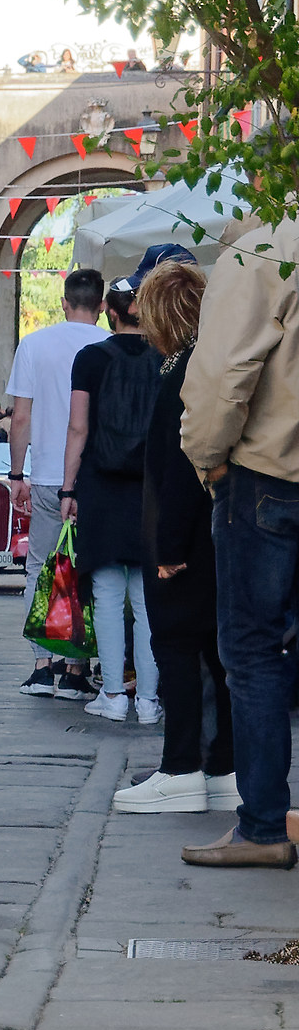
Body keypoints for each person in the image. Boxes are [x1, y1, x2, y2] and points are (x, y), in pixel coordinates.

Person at [179, 215, 299, 867]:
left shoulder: (262, 249)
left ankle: (261, 826)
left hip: (268, 475)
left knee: (252, 651)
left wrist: (208, 458)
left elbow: (224, 371)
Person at [115, 258, 236, 814]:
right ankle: (220, 766)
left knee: (178, 650)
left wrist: (167, 548)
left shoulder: (177, 377)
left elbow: (180, 467)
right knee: (215, 654)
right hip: (216, 537)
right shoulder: (207, 367)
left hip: (185, 541)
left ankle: (181, 768)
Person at [60, 261, 165, 723]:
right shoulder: (167, 359)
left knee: (104, 593)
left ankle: (113, 696)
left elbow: (78, 429)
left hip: (100, 485)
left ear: (109, 312)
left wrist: (68, 488)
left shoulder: (91, 358)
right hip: (151, 488)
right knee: (146, 599)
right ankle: (148, 701)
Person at [7, 267, 111, 699]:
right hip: (94, 479)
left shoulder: (33, 345)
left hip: (47, 476)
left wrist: (16, 474)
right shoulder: (109, 347)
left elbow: (22, 417)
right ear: (102, 306)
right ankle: (76, 669)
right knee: (85, 570)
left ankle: (41, 665)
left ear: (64, 302)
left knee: (42, 570)